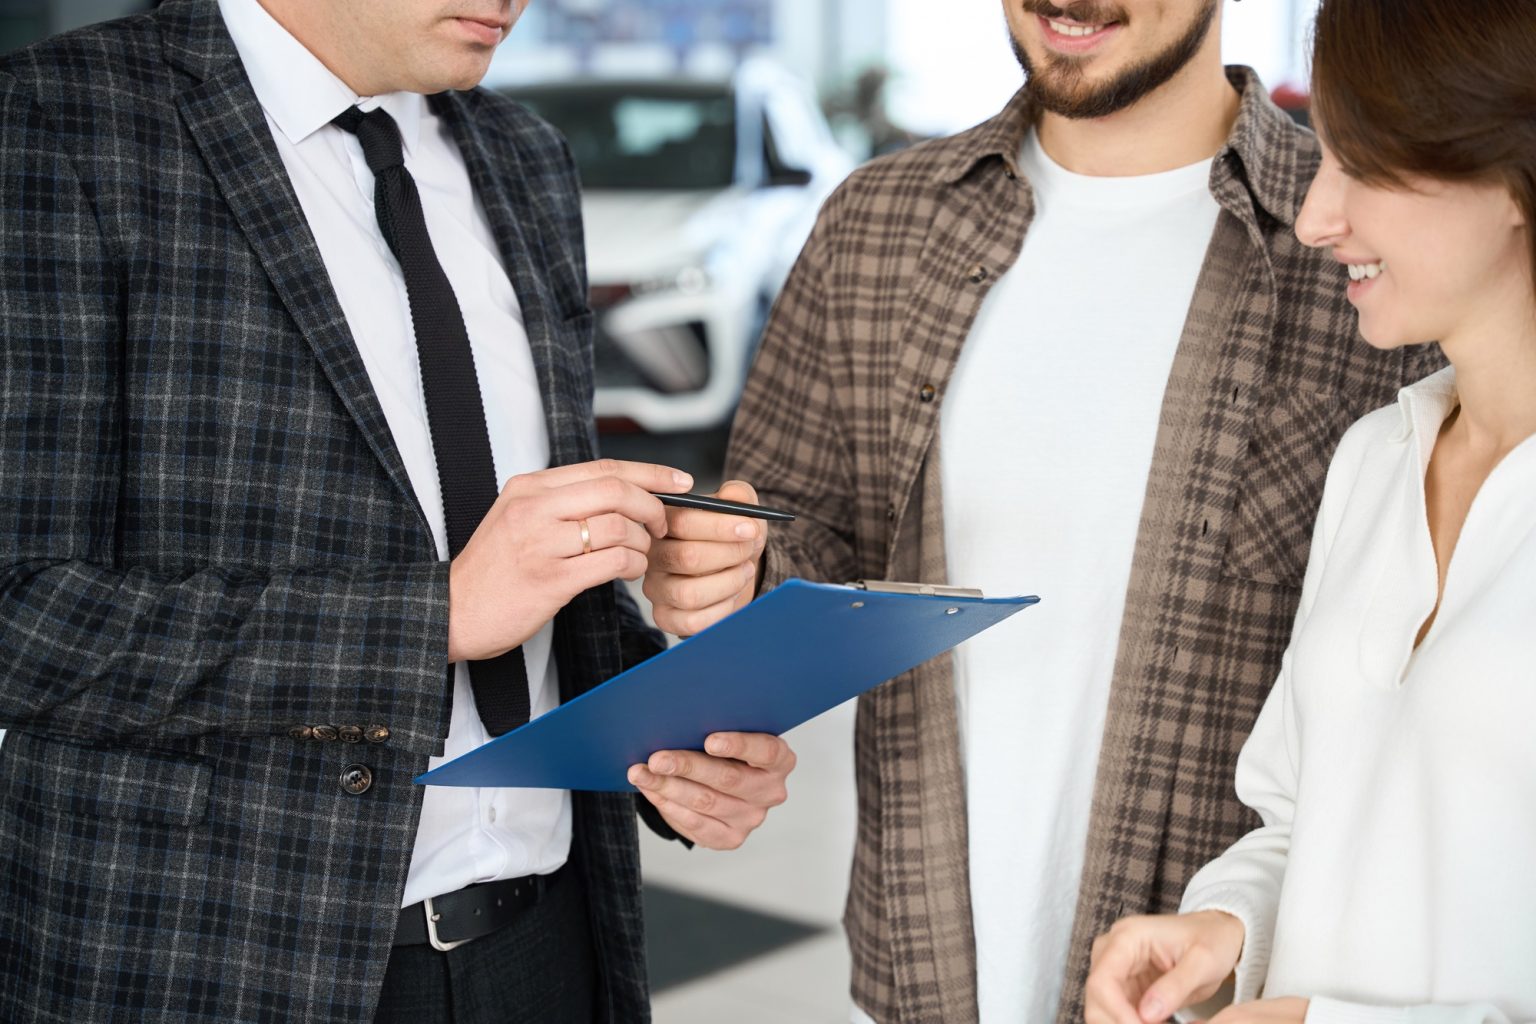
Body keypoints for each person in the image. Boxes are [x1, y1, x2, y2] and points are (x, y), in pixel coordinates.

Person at [641, 0, 1446, 1020]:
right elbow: (791, 555)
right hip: (919, 970)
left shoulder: (1359, 246)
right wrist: (717, 579)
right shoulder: (875, 224)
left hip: (1221, 987)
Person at [0, 0, 798, 1021]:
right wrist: (434, 617)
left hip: (545, 941)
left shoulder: (522, 153)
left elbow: (522, 587)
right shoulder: (61, 121)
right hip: (216, 964)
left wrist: (669, 740)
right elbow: (19, 611)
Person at [1085, 0, 1536, 1020]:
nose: (1316, 216)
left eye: (1362, 164)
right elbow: (1302, 814)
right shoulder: (1377, 459)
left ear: (1513, 171)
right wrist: (1232, 928)